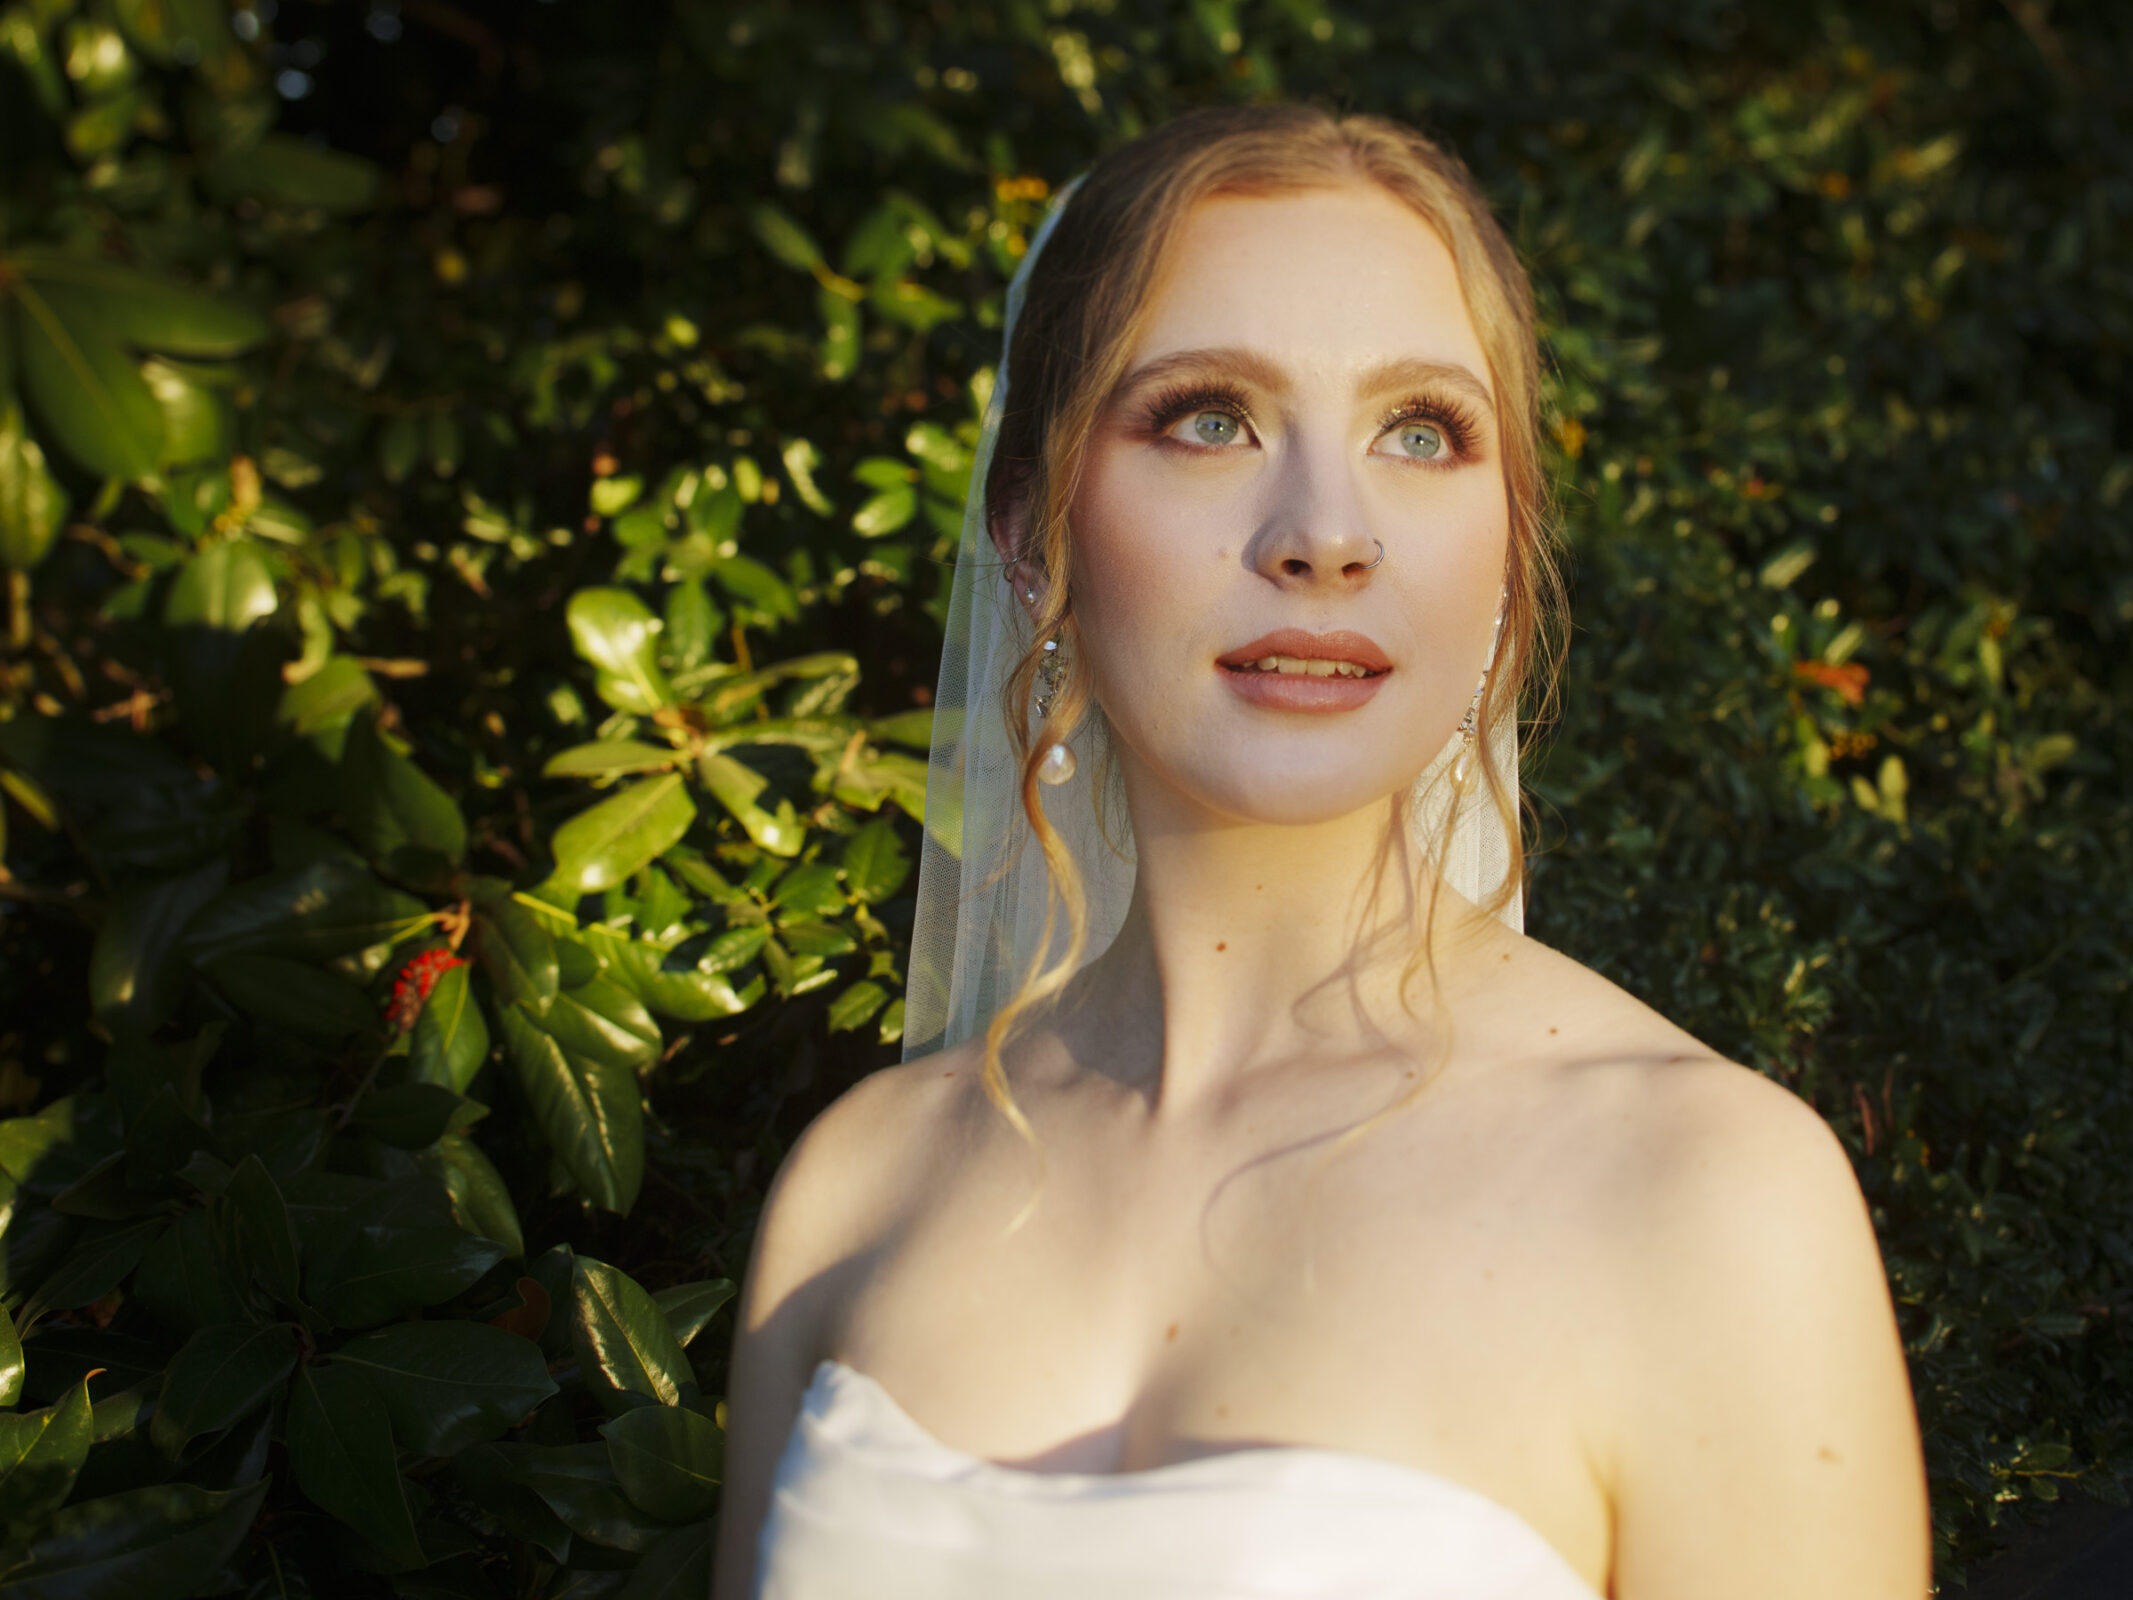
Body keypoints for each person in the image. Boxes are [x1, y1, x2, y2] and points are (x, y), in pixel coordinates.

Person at [712, 103, 1931, 1600]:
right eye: (1210, 417)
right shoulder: (862, 1185)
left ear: (1499, 549)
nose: (1327, 534)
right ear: (1032, 535)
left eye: (1419, 433)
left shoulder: (1702, 1194)